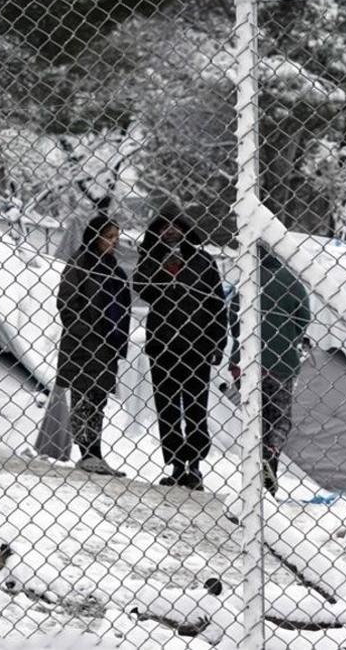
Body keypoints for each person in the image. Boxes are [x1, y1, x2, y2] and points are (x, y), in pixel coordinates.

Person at [135, 209, 228, 491]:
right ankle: (176, 464)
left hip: (196, 346)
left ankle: (195, 466)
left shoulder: (203, 262)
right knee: (168, 409)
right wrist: (162, 266)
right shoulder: (150, 259)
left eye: (176, 227)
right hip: (163, 346)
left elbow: (217, 305)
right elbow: (143, 289)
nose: (171, 232)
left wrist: (217, 342)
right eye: (164, 228)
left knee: (196, 408)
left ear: (187, 230)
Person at [228, 246, 312, 496]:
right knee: (279, 418)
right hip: (281, 363)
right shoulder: (290, 281)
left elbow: (233, 318)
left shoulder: (245, 279)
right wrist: (287, 338)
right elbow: (303, 318)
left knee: (254, 417)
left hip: (244, 361)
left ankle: (253, 474)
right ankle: (270, 460)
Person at [55, 214, 131, 477]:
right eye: (109, 236)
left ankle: (94, 452)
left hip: (106, 346)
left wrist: (117, 340)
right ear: (94, 236)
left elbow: (122, 308)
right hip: (84, 344)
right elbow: (67, 302)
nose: (113, 242)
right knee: (83, 397)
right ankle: (86, 452)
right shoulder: (81, 263)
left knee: (98, 400)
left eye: (116, 238)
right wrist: (86, 333)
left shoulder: (114, 269)